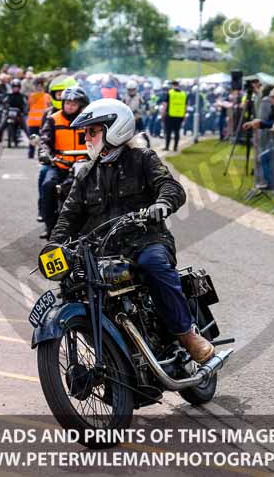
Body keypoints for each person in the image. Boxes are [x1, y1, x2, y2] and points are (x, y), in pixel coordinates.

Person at [45, 98, 214, 363]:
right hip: (104, 252)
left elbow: (171, 187)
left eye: (92, 131)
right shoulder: (86, 173)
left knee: (154, 264)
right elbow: (69, 216)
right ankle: (113, 362)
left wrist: (162, 204)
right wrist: (53, 245)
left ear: (114, 128)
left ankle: (186, 333)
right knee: (75, 285)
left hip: (145, 240)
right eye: (85, 132)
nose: (86, 138)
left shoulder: (142, 158)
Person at [38, 85, 89, 238]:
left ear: (80, 105)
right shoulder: (53, 119)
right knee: (48, 186)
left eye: (74, 104)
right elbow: (45, 140)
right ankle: (49, 226)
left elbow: (98, 139)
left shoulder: (88, 119)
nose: (70, 106)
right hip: (60, 164)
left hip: (84, 165)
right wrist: (45, 153)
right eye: (67, 103)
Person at [0, 79, 28, 148]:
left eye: (17, 87)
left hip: (19, 114)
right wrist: (1, 108)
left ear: (19, 87)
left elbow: (26, 104)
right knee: (1, 127)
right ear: (12, 87)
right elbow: (2, 102)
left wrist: (25, 111)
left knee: (26, 128)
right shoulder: (8, 95)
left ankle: (32, 141)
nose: (15, 88)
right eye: (14, 87)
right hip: (9, 114)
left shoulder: (22, 96)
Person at [25, 77, 50, 159]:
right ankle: (41, 155)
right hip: (42, 121)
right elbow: (49, 107)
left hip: (33, 121)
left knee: (33, 138)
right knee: (42, 139)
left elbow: (28, 107)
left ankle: (31, 154)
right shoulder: (46, 96)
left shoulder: (31, 96)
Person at [159, 80, 187, 152]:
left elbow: (165, 104)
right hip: (180, 116)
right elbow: (185, 106)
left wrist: (163, 114)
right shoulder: (183, 94)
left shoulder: (170, 93)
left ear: (172, 85)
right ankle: (175, 148)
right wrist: (184, 115)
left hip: (170, 115)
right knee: (177, 132)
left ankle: (167, 147)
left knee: (168, 132)